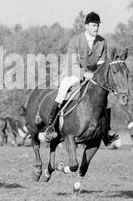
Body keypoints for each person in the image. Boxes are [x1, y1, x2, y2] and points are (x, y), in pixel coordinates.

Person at [43, 12, 109, 142]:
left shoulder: (102, 42)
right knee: (63, 90)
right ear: (86, 26)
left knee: (106, 96)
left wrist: (97, 76)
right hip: (74, 74)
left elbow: (102, 64)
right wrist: (85, 74)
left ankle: (107, 130)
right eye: (93, 25)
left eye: (97, 26)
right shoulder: (75, 41)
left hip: (93, 78)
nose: (96, 28)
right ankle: (51, 126)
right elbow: (72, 65)